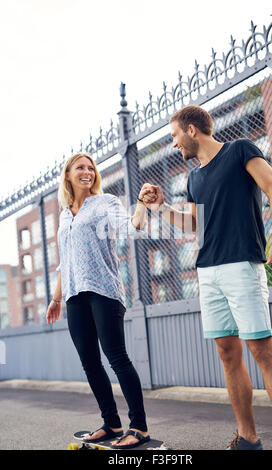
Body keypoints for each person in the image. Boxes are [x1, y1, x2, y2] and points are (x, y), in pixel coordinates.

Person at [142, 105, 272, 450]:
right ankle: (248, 438)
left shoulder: (240, 150)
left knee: (261, 350)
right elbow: (194, 225)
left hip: (242, 264)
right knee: (227, 353)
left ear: (192, 130)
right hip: (208, 271)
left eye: (174, 137)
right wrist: (162, 209)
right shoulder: (193, 178)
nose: (174, 145)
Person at [46, 152, 156, 449]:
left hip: (104, 291)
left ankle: (139, 427)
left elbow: (132, 228)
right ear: (68, 175)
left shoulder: (106, 203)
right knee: (90, 363)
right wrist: (56, 299)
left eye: (91, 168)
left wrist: (142, 205)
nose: (87, 172)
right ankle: (111, 423)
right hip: (73, 295)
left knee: (116, 358)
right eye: (80, 167)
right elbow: (64, 261)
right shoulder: (65, 214)